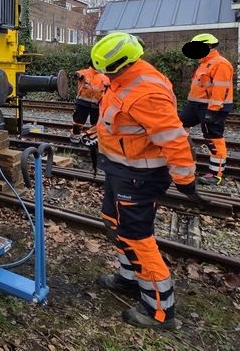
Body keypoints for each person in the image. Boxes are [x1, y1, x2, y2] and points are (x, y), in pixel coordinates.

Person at [89, 32, 202, 329]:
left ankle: (159, 311)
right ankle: (128, 279)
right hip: (120, 168)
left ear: (125, 63)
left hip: (141, 175)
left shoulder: (146, 91)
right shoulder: (122, 79)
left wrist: (185, 178)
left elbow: (174, 139)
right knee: (113, 221)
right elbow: (122, 121)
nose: (106, 75)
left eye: (109, 71)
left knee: (137, 237)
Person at [179, 33, 234, 185]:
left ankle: (216, 174)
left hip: (211, 107)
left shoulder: (220, 64)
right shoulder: (204, 63)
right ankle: (182, 161)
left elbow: (220, 89)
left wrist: (213, 110)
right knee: (177, 126)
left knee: (213, 138)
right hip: (195, 105)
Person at [70, 63, 110, 143]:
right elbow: (77, 74)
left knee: (95, 123)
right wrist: (77, 75)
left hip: (96, 104)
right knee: (78, 121)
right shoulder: (85, 72)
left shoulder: (105, 77)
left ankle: (93, 138)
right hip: (82, 102)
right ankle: (75, 137)